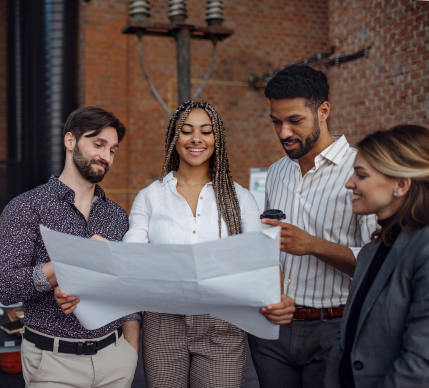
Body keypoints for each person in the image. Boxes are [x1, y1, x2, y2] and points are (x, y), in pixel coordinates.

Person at [57, 100, 295, 387]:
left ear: (216, 139)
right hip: (162, 325)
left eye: (206, 132)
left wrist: (277, 296)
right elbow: (130, 259)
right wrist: (90, 273)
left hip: (222, 325)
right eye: (186, 131)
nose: (197, 139)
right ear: (174, 138)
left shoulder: (240, 198)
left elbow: (261, 261)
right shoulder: (151, 196)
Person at [247, 65, 378, 388]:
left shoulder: (362, 169)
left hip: (332, 329)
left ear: (323, 111)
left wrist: (312, 245)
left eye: (295, 121)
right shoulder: (277, 171)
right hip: (273, 331)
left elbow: (378, 261)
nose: (283, 133)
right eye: (276, 122)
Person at [0, 106, 141, 388]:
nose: (106, 156)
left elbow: (128, 290)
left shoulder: (117, 216)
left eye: (113, 150)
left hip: (115, 360)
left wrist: (130, 350)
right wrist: (72, 261)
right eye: (98, 144)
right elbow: (6, 288)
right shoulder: (26, 207)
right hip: (53, 363)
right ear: (70, 141)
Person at [324, 125, 429, 388]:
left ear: (401, 184)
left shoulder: (423, 249)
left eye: (361, 175)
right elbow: (346, 335)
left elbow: (420, 361)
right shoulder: (372, 251)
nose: (349, 184)